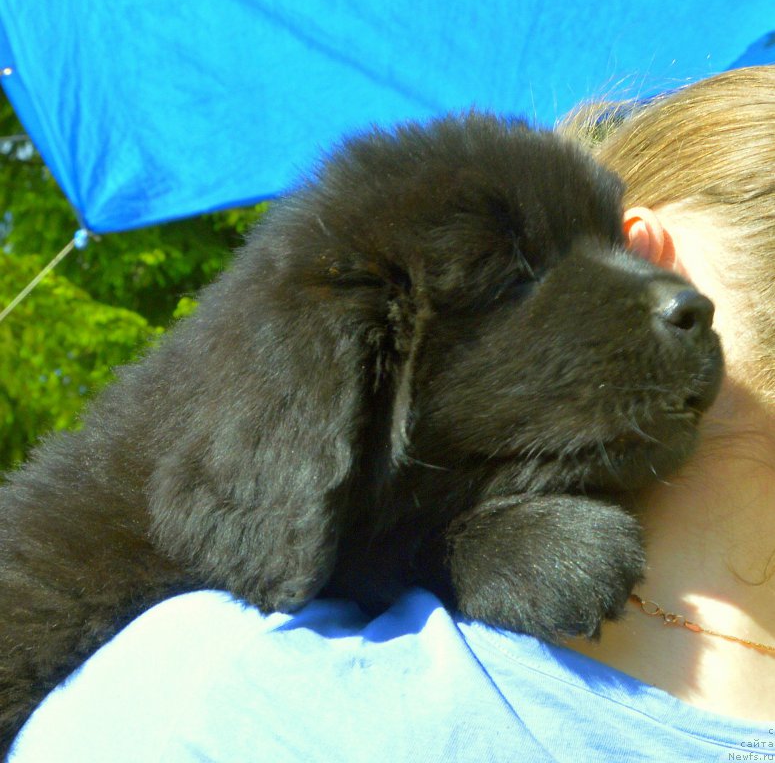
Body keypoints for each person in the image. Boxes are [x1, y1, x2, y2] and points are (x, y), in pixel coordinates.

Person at [8, 65, 775, 762]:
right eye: (517, 281)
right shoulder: (197, 669)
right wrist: (454, 550)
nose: (677, 305)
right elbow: (257, 540)